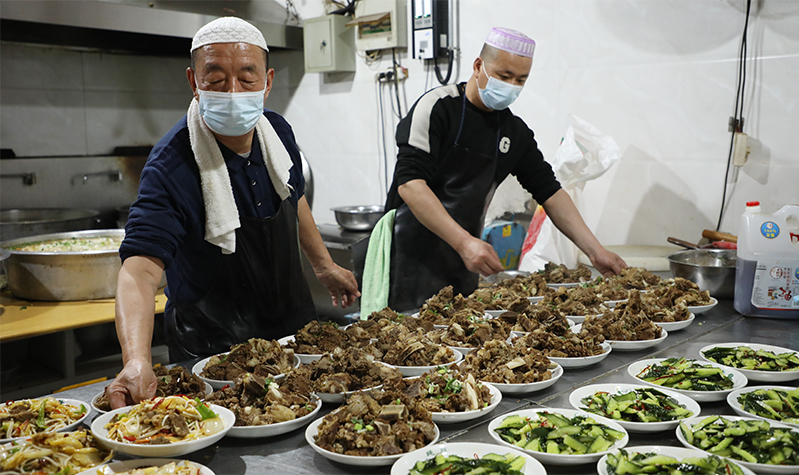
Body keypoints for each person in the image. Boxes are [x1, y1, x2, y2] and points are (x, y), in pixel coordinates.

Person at [107, 17, 359, 408]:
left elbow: (295, 199)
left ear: (268, 81)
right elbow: (139, 271)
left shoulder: (278, 133)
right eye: (216, 79)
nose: (233, 92)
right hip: (214, 356)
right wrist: (136, 359)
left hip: (293, 341)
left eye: (246, 77)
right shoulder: (171, 165)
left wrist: (324, 266)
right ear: (194, 82)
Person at [384, 27, 626, 312]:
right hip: (406, 258)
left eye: (520, 80)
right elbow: (410, 184)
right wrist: (464, 242)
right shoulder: (437, 107)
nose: (511, 86)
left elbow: (550, 192)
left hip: (463, 263)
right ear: (478, 66)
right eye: (504, 76)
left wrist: (596, 252)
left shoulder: (514, 132)